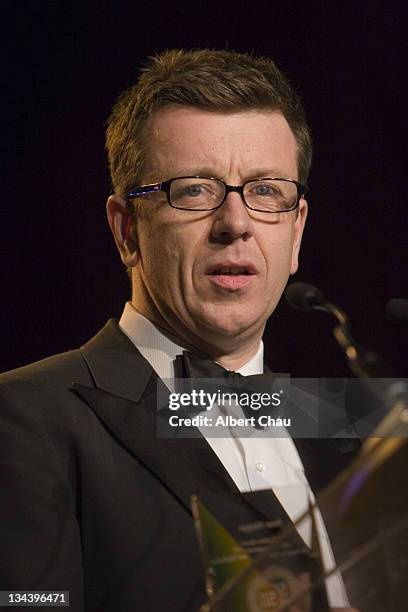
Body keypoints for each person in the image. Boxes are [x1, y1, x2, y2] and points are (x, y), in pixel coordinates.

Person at [0, 49, 359, 611]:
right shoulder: (23, 416)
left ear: (297, 232)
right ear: (127, 231)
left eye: (266, 191)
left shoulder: (348, 423)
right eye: (194, 190)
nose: (236, 223)